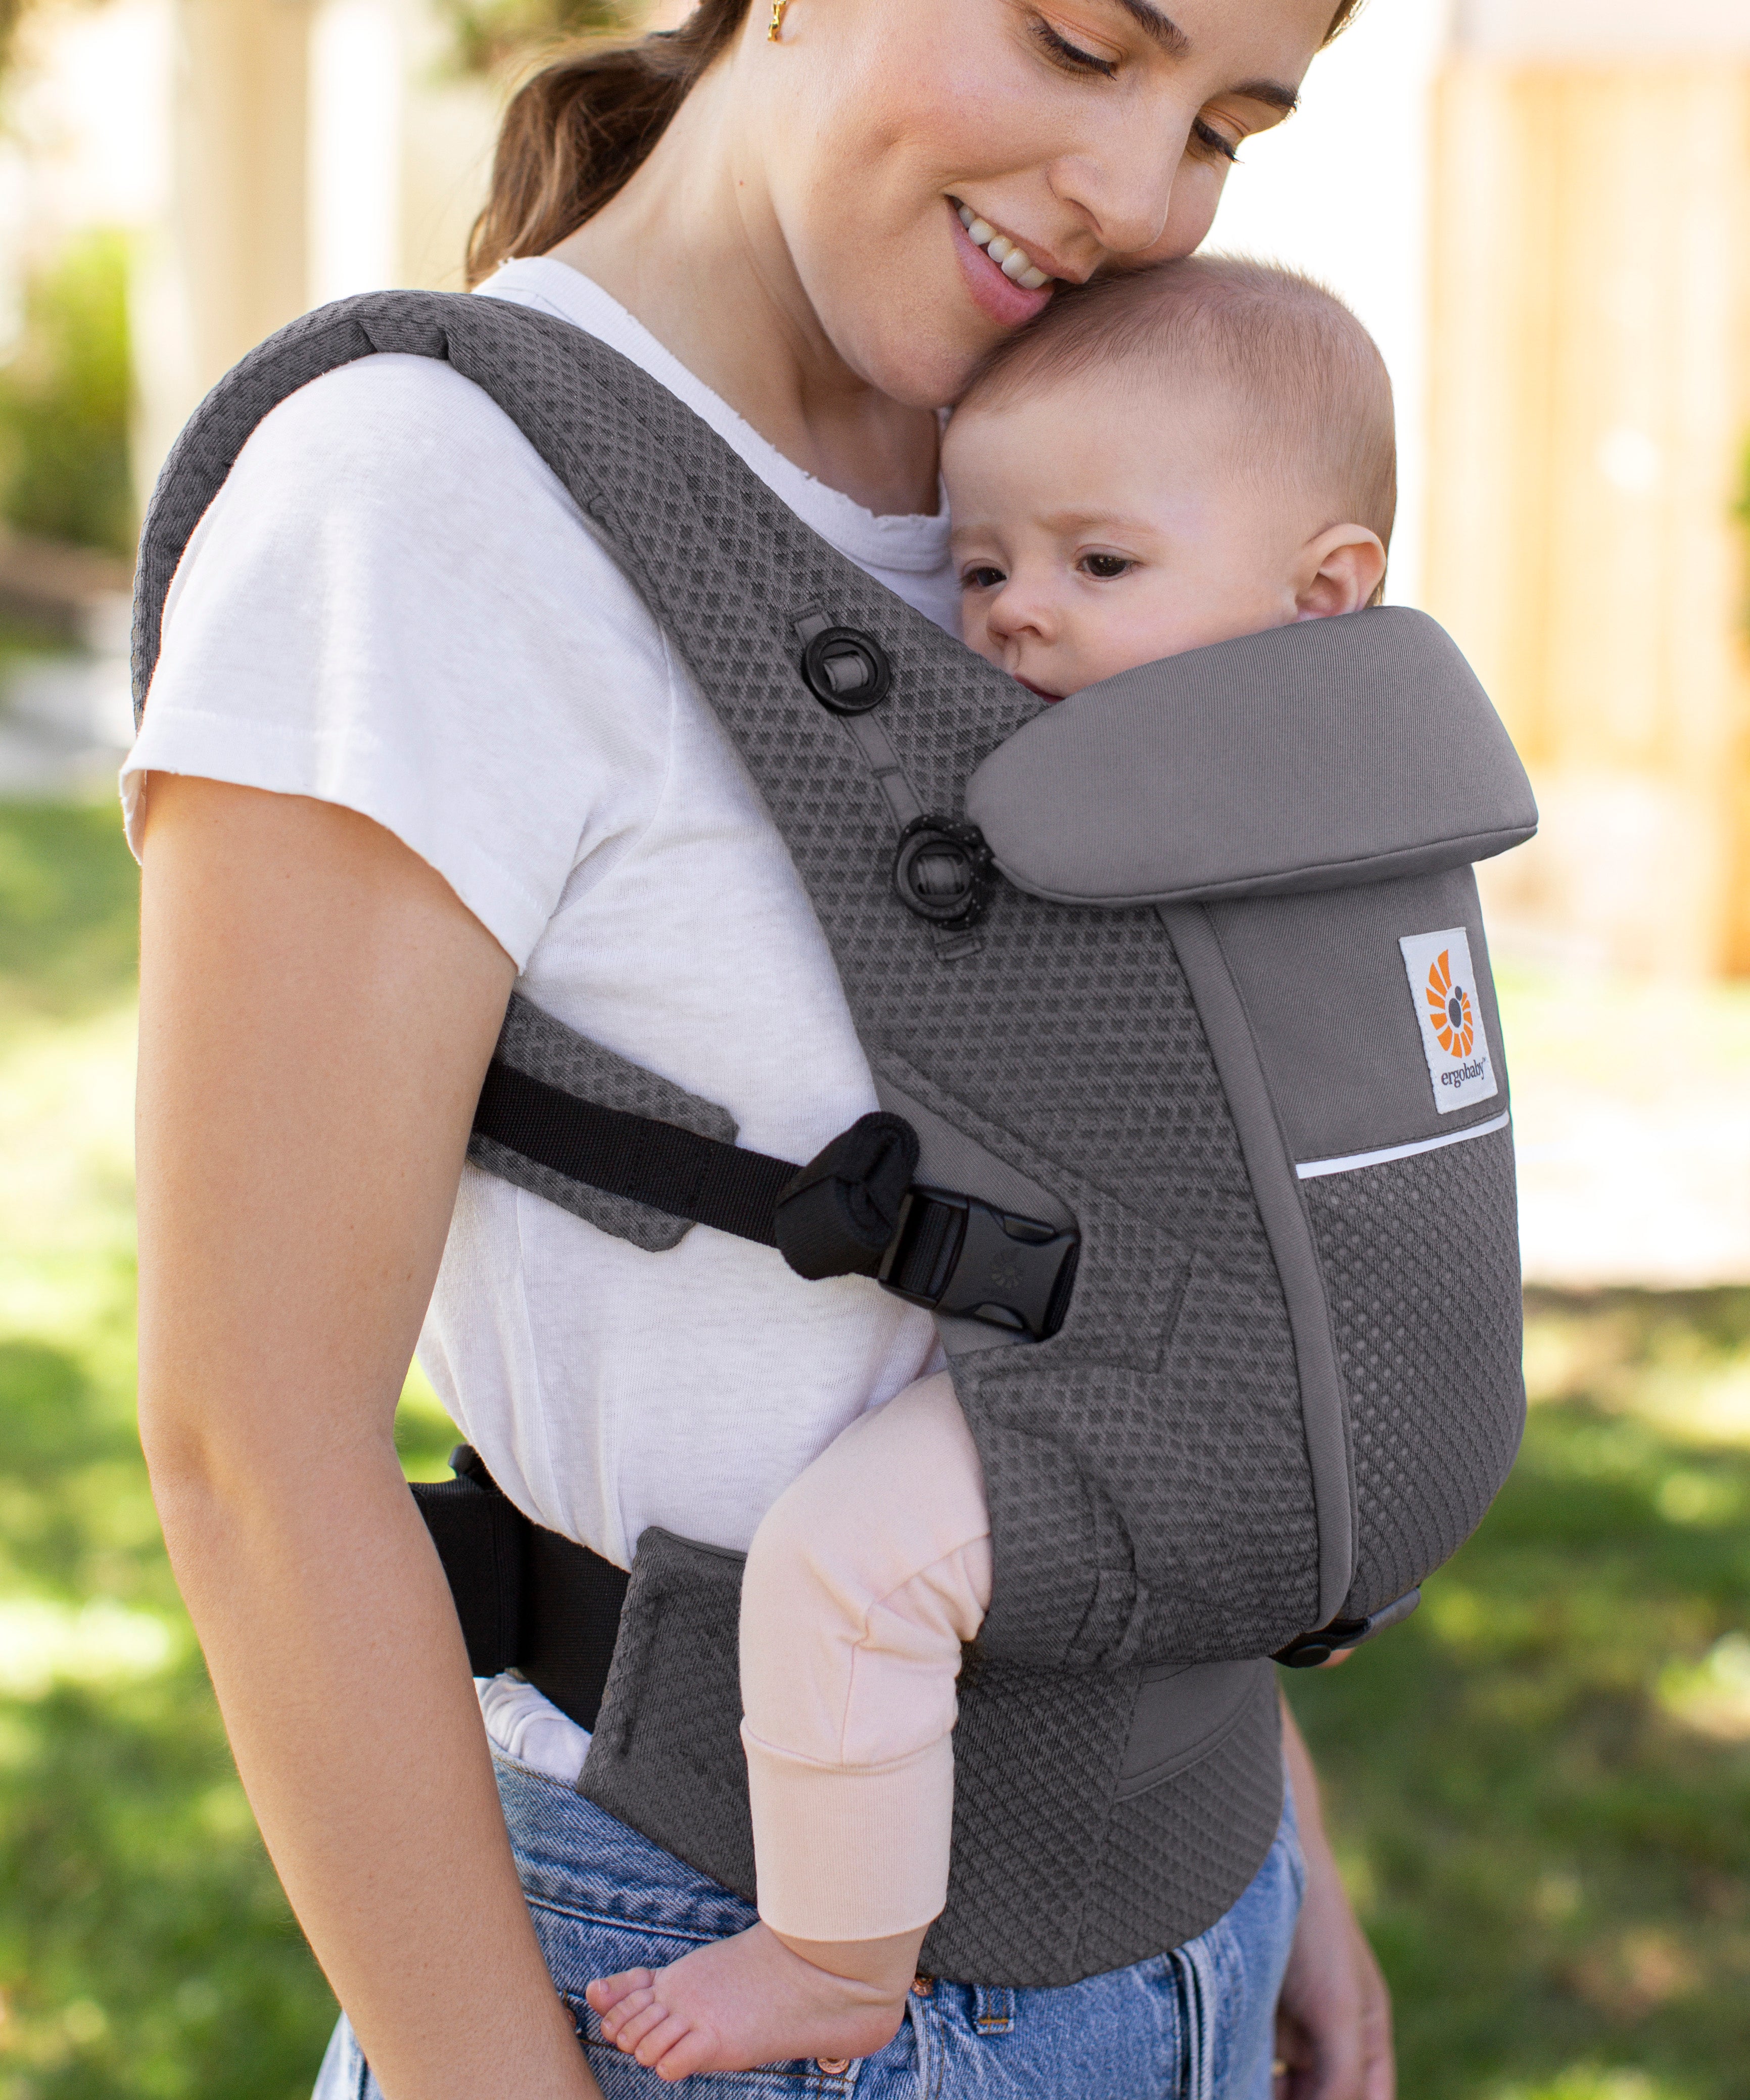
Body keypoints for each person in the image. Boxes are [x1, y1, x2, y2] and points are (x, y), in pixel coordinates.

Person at [129, 1, 1395, 2094]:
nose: (1137, 191)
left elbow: (1147, 1248)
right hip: (693, 1971)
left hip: (1184, 1908)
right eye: (1087, 43)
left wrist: (1261, 1829)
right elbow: (253, 1453)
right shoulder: (426, 508)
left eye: (1224, 129)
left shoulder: (1075, 489)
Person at [583, 255, 1394, 2083]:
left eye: (1100, 568)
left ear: (1324, 594)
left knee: (852, 1572)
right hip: (1235, 1481)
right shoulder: (1363, 784)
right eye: (985, 566)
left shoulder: (1181, 812)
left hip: (1172, 1403)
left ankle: (833, 1958)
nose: (1019, 619)